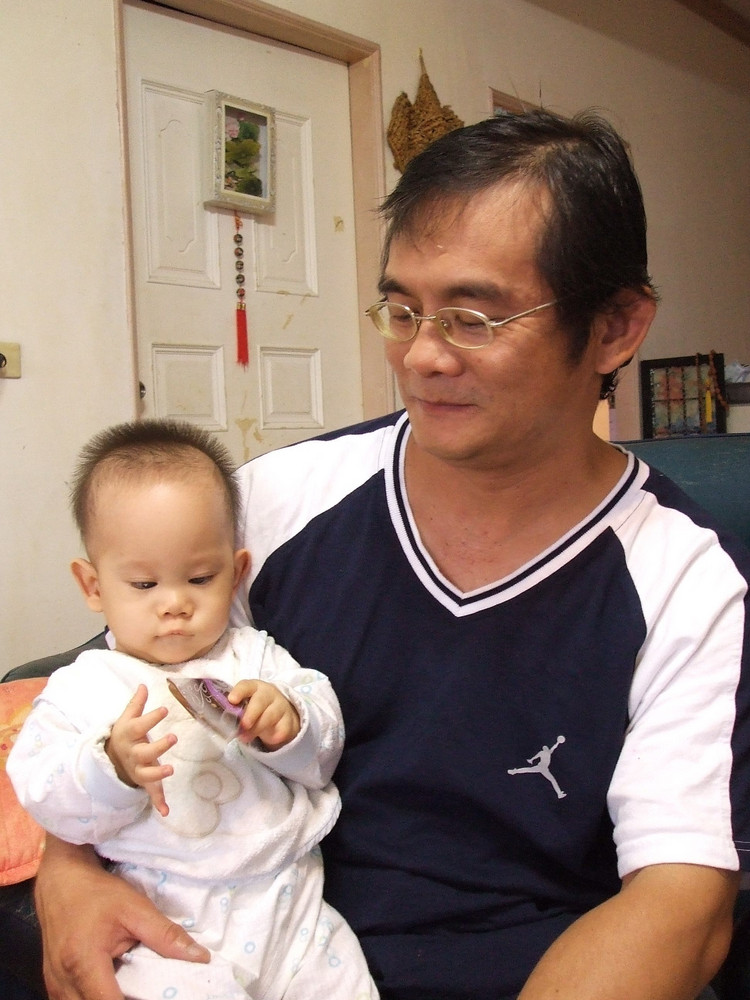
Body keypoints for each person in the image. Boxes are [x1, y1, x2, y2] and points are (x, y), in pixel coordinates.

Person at [30, 109, 750, 1000]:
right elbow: (113, 689)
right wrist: (67, 870)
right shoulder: (277, 501)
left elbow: (682, 900)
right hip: (236, 938)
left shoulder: (687, 582)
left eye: (474, 318)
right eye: (402, 310)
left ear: (614, 327)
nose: (421, 356)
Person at [8, 420, 378, 1000]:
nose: (175, 603)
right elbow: (43, 790)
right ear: (93, 586)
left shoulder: (256, 657)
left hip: (293, 905)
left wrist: (288, 725)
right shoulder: (85, 685)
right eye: (144, 584)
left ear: (237, 571)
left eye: (200, 578)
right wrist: (110, 765)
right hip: (170, 920)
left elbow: (323, 752)